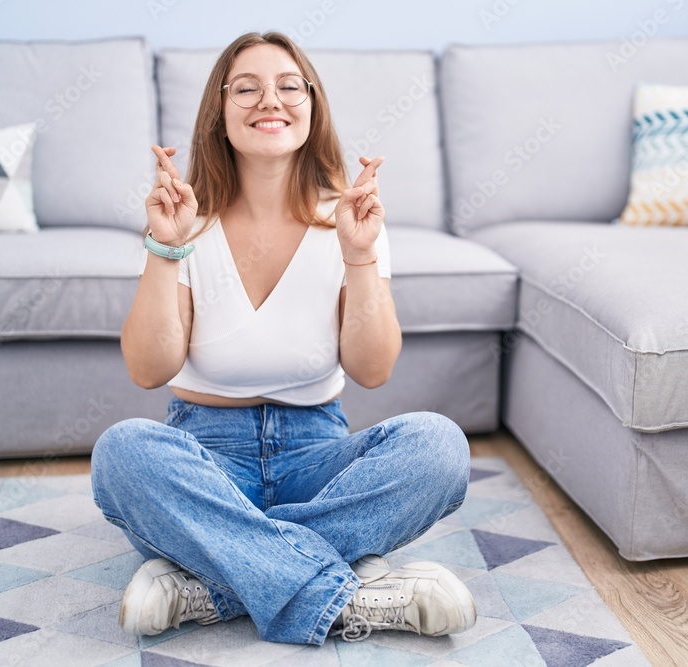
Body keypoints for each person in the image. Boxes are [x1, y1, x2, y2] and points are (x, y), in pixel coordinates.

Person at [90, 31, 475, 647]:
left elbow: (373, 370)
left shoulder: (351, 219)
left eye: (289, 86)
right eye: (247, 87)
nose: (270, 99)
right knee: (123, 453)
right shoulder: (188, 219)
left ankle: (218, 579)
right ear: (219, 112)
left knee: (440, 447)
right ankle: (343, 589)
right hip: (205, 460)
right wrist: (165, 248)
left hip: (316, 456)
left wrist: (358, 255)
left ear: (312, 105)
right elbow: (147, 369)